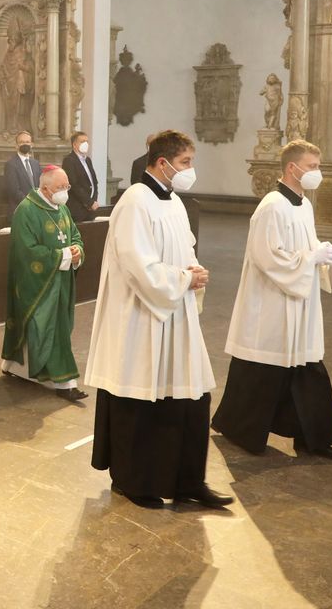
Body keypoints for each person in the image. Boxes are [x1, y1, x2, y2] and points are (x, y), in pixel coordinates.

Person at [85, 130, 231, 509]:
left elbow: (185, 248)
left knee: (189, 396)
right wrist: (183, 279)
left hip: (176, 312)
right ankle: (134, 481)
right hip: (141, 316)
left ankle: (188, 481)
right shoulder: (135, 201)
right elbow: (137, 263)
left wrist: (193, 271)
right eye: (185, 162)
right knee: (141, 399)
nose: (190, 170)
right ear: (163, 162)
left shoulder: (175, 202)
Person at [212, 140, 332, 460]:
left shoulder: (303, 205)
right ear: (292, 167)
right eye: (312, 167)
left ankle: (313, 438)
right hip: (272, 300)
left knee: (307, 365)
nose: (317, 173)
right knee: (262, 368)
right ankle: (236, 427)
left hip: (299, 299)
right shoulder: (272, 206)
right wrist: (310, 258)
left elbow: (305, 246)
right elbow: (267, 256)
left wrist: (323, 254)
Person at [1, 165, 86, 400]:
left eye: (67, 186)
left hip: (61, 281)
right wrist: (63, 255)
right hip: (37, 283)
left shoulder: (62, 209)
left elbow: (75, 236)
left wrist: (77, 251)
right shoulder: (26, 210)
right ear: (46, 189)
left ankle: (15, 366)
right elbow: (26, 251)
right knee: (46, 328)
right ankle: (65, 383)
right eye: (61, 187)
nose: (65, 191)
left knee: (56, 328)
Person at [62, 131, 100, 222]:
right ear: (74, 145)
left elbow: (94, 183)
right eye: (82, 141)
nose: (86, 144)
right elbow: (74, 185)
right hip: (77, 209)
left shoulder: (88, 160)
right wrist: (89, 202)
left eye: (87, 141)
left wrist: (94, 201)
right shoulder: (69, 160)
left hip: (90, 209)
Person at [4, 130, 41, 220]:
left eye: (27, 142)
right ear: (16, 146)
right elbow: (14, 190)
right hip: (20, 210)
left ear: (32, 144)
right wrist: (31, 204)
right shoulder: (11, 164)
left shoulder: (36, 163)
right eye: (21, 142)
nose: (25, 144)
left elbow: (39, 185)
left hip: (37, 210)